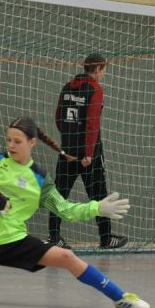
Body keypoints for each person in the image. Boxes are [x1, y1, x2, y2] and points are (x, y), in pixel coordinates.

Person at [0, 116, 150, 308]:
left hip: (13, 238)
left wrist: (97, 208)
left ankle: (120, 297)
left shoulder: (39, 179)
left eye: (17, 141)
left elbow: (64, 210)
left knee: (67, 256)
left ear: (32, 143)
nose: (11, 145)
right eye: (9, 140)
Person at [48, 53, 127, 250]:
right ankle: (106, 238)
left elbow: (59, 118)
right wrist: (89, 154)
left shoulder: (67, 87)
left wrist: (69, 137)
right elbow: (92, 124)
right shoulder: (95, 89)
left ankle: (54, 237)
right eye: (104, 69)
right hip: (88, 155)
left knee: (59, 194)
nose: (104, 73)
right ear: (98, 69)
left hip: (67, 150)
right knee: (99, 195)